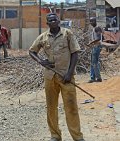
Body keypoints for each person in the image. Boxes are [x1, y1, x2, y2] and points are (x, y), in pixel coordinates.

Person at [29, 13, 85, 141]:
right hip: (50, 78)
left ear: (59, 21)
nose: (53, 21)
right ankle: (55, 135)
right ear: (47, 23)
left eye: (55, 19)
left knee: (71, 108)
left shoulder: (67, 34)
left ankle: (77, 137)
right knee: (51, 107)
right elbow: (31, 51)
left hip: (66, 78)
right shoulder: (43, 37)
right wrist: (40, 61)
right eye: (50, 20)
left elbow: (75, 53)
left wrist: (69, 73)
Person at [87, 17, 102, 83]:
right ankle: (92, 77)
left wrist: (91, 42)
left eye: (92, 21)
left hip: (97, 46)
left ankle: (98, 78)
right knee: (93, 62)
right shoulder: (94, 28)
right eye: (90, 21)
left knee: (94, 63)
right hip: (95, 46)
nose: (91, 23)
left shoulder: (97, 28)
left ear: (95, 21)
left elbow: (98, 38)